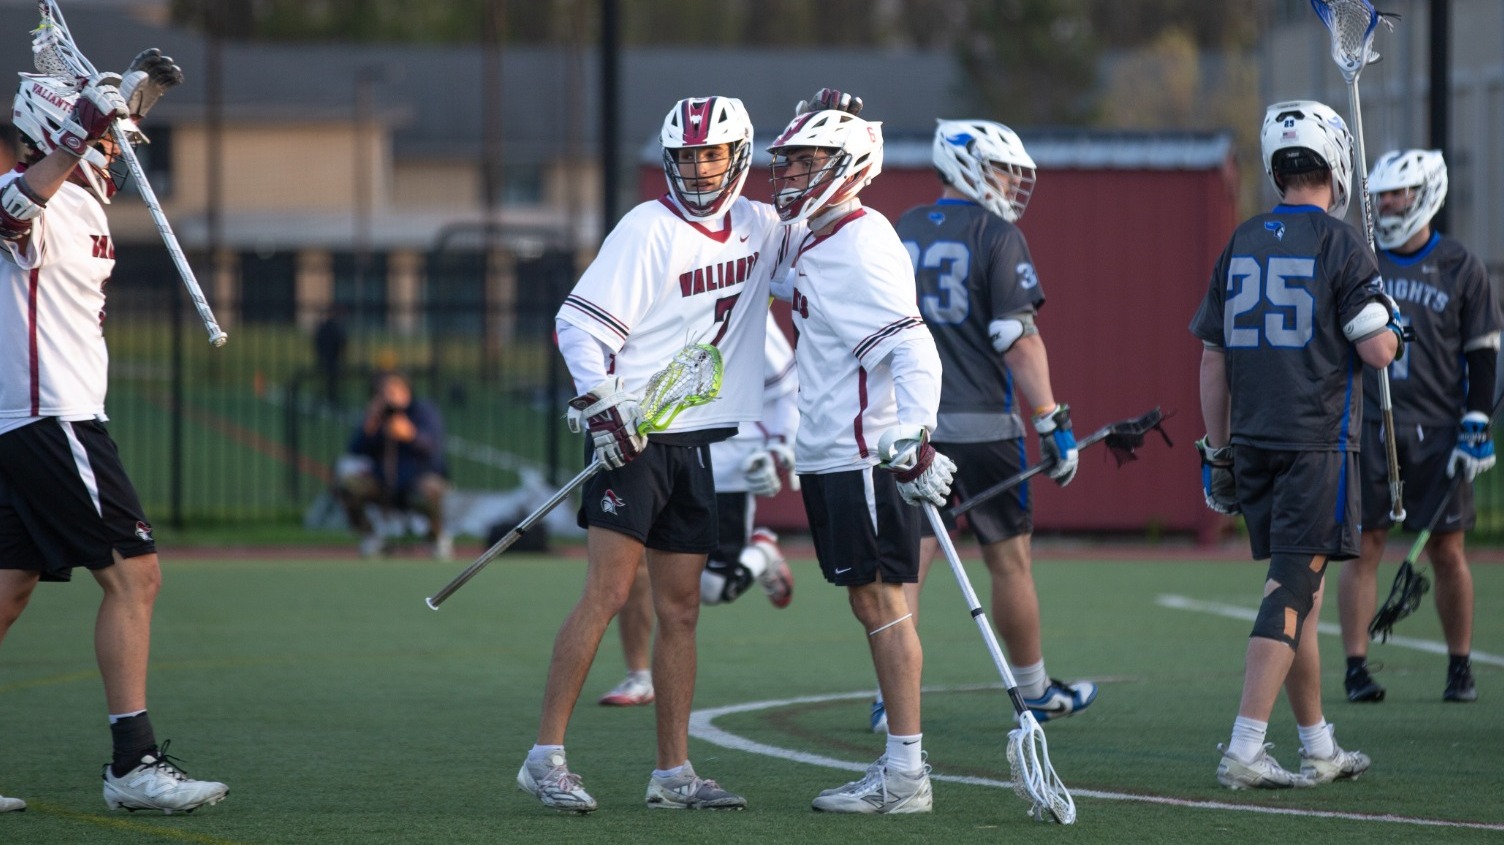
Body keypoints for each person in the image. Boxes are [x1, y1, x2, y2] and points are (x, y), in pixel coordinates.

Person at [518, 94, 785, 813]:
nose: (700, 168)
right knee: (607, 594)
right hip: (634, 438)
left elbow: (813, 267)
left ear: (739, 155)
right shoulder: (647, 228)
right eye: (687, 156)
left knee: (681, 610)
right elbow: (577, 326)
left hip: (693, 441)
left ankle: (674, 773)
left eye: (712, 154)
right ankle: (545, 757)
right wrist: (603, 406)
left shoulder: (763, 225)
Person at [0, 52, 228, 813]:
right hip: (50, 417)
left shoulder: (87, 196)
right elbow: (16, 210)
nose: (111, 152)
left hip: (46, 419)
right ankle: (132, 766)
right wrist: (77, 135)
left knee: (9, 588)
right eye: (98, 138)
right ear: (55, 130)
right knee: (135, 575)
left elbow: (102, 152)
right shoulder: (26, 192)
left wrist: (136, 98)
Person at [1191, 99, 1402, 790]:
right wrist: (1396, 327)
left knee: (1301, 593)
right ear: (1334, 164)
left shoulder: (1242, 239)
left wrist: (1218, 451)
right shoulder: (1342, 245)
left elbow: (1213, 360)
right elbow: (1376, 348)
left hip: (1252, 441)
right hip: (1316, 443)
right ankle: (1246, 745)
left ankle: (1318, 745)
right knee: (1290, 588)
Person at [767, 90, 950, 814]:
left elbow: (913, 344)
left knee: (883, 602)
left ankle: (905, 773)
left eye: (806, 160)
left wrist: (917, 432)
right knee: (872, 602)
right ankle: (901, 765)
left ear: (846, 166)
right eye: (789, 161)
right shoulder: (819, 234)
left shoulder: (861, 241)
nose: (789, 174)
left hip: (864, 452)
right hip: (834, 451)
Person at [880, 118, 1094, 736]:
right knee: (1009, 563)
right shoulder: (994, 233)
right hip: (984, 429)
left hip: (912, 430)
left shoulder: (900, 231)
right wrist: (1052, 418)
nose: (1008, 183)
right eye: (1001, 169)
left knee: (907, 570)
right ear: (968, 166)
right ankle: (1033, 691)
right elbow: (1015, 337)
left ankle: (890, 697)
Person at [1337, 149, 1501, 704]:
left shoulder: (1460, 265)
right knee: (1364, 544)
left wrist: (1476, 421)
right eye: (1381, 194)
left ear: (1426, 193)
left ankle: (1460, 666)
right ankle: (1356, 667)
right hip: (1370, 424)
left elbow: (1482, 353)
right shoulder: (1361, 259)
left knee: (1448, 550)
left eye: (1397, 194)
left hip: (1436, 427)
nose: (1387, 204)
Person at [598, 311, 798, 707]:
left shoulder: (740, 300)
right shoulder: (638, 294)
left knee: (711, 589)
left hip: (727, 460)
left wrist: (781, 444)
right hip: (656, 446)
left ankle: (761, 553)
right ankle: (638, 676)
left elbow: (787, 384)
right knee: (631, 562)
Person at [336, 370, 451, 559]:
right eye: (384, 391)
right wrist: (370, 424)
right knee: (347, 486)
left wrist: (411, 436)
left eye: (394, 389)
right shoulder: (376, 416)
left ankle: (436, 536)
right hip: (382, 480)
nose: (389, 395)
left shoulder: (422, 411)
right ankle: (370, 537)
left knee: (432, 489)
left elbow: (432, 446)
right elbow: (355, 450)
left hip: (416, 479)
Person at [313, 305, 347, 408]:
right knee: (330, 379)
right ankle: (329, 397)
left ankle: (329, 397)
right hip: (330, 356)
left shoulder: (327, 326)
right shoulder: (333, 326)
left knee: (330, 380)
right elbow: (341, 341)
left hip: (328, 356)